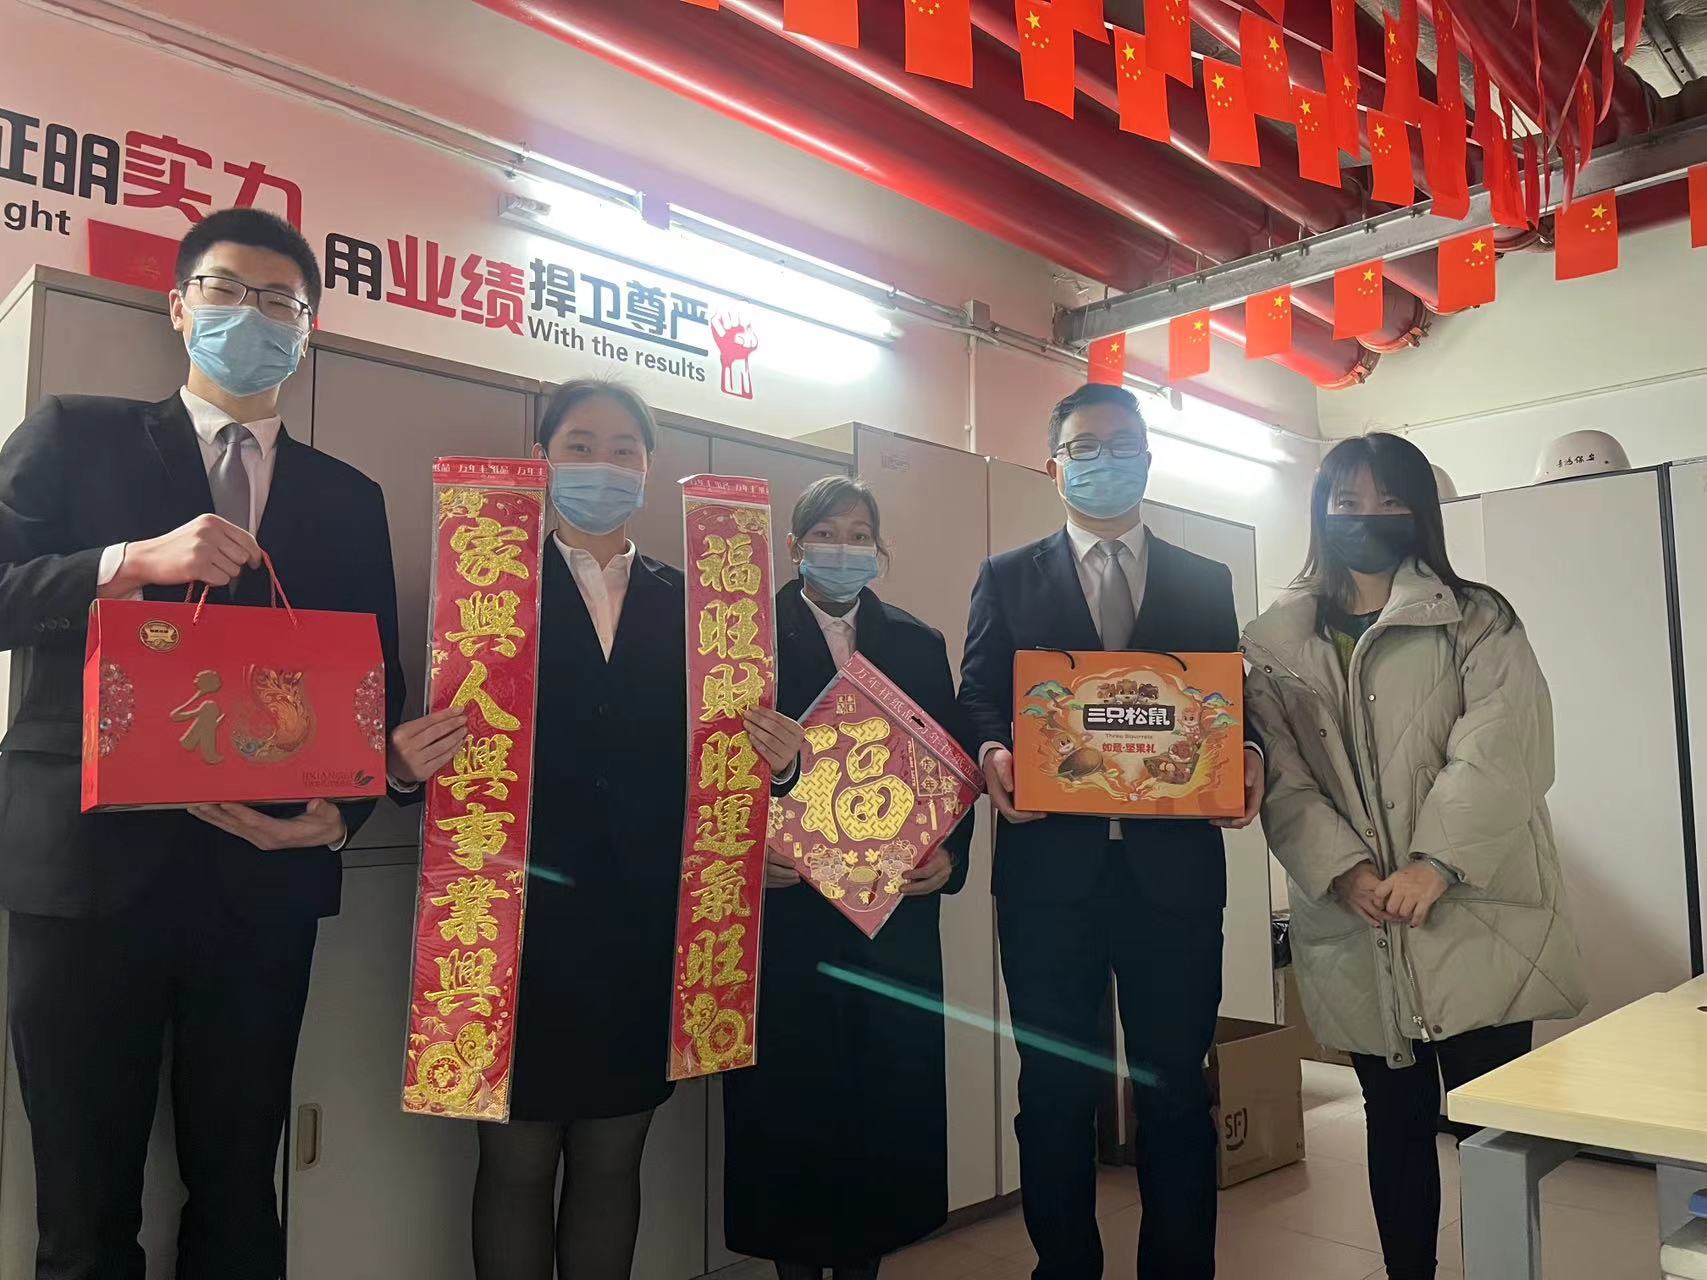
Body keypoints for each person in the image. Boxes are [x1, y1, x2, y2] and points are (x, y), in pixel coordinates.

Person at [0, 208, 405, 1279]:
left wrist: (340, 815)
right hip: (87, 871)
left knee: (238, 1189)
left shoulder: (348, 497)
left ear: (306, 331)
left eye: (279, 302)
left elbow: (375, 686)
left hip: (260, 880)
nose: (251, 317)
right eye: (226, 291)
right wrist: (127, 561)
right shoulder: (73, 433)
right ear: (179, 308)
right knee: (81, 1203)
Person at [388, 379, 803, 1280]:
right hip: (513, 920)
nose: (602, 465)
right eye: (580, 446)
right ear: (541, 461)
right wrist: (401, 767)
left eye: (624, 450)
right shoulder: (483, 592)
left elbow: (727, 764)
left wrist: (781, 765)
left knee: (616, 1155)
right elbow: (440, 752)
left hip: (644, 921)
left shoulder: (703, 608)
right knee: (514, 1160)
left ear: (649, 470)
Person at [1240, 433, 1585, 1280]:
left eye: (1389, 500)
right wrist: (1345, 871)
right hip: (1357, 921)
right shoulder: (1274, 643)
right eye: (1347, 501)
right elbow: (1281, 777)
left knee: (1492, 1129)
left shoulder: (1476, 617)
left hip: (1473, 910)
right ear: (1319, 512)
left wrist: (1435, 863)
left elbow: (1502, 748)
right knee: (1391, 1125)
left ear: (1420, 513)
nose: (1367, 517)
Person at [957, 383, 1263, 1280]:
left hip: (1174, 879)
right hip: (1049, 878)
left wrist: (1246, 753)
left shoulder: (1204, 580)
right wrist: (992, 752)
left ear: (1147, 459)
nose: (1103, 460)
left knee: (1175, 1092)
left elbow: (1228, 702)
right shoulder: (1006, 575)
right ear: (1053, 467)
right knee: (1054, 1093)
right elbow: (977, 694)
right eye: (1082, 447)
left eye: (1121, 444)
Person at [721, 477, 976, 1280]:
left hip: (889, 922)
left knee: (882, 1106)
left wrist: (948, 857)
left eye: (858, 533)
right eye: (825, 533)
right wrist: (740, 854)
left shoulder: (916, 642)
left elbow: (951, 771)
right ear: (793, 546)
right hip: (784, 922)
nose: (843, 547)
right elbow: (698, 770)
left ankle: (866, 1265)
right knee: (789, 1111)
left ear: (878, 547)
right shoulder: (740, 639)